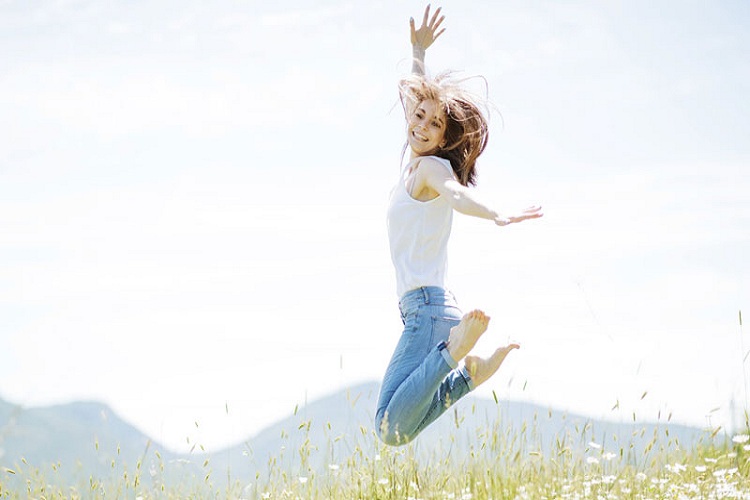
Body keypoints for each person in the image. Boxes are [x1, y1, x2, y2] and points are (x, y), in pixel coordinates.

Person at [375, 5, 543, 446]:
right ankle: (470, 374)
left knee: (389, 430)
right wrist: (417, 51)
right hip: (424, 311)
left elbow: (457, 194)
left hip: (428, 312)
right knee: (397, 426)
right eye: (418, 115)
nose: (422, 125)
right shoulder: (413, 165)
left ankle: (456, 349)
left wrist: (495, 214)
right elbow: (418, 94)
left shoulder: (432, 170)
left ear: (446, 138)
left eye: (434, 124)